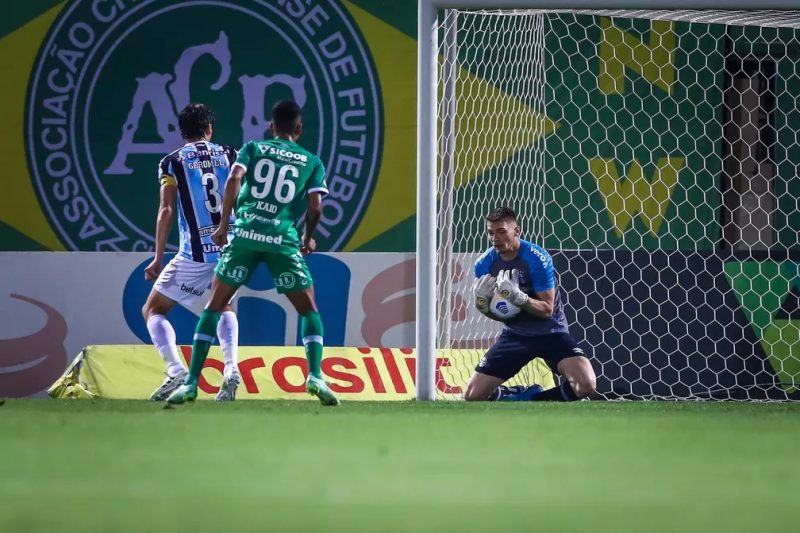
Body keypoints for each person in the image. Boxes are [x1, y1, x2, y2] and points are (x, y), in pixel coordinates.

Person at [167, 100, 339, 406]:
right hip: (281, 240)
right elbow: (315, 206)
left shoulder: (253, 148)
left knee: (214, 306)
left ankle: (191, 383)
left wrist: (223, 225)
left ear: (271, 127)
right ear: (298, 129)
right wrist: (307, 237)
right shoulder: (311, 161)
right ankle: (315, 376)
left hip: (244, 236)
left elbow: (233, 179)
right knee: (308, 309)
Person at [142, 103, 241, 402]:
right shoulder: (230, 154)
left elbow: (167, 209)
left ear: (182, 132)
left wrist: (158, 257)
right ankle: (231, 368)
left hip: (194, 254)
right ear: (209, 129)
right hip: (230, 248)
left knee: (153, 309)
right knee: (224, 307)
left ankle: (175, 370)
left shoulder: (171, 162)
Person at [465, 206, 596, 402]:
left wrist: (519, 298)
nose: (495, 238)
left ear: (516, 231)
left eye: (501, 231)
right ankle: (510, 394)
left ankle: (535, 399)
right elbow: (500, 313)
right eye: (490, 233)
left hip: (551, 333)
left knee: (585, 385)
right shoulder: (483, 264)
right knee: (473, 396)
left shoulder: (537, 258)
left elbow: (547, 310)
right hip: (515, 336)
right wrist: (483, 306)